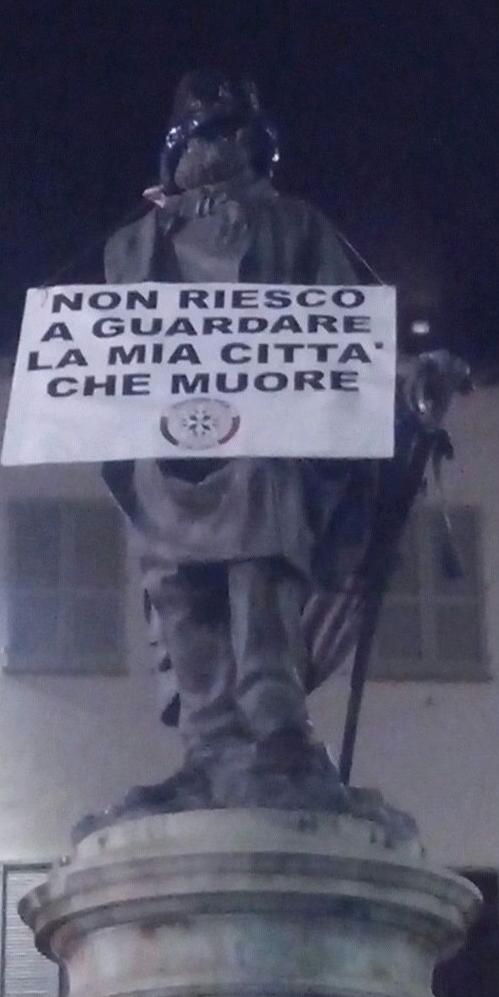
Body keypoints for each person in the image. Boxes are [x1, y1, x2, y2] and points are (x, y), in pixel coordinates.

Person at [101, 71, 440, 812]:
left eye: (230, 133)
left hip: (265, 443)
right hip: (168, 443)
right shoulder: (132, 245)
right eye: (203, 135)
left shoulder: (299, 227)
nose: (216, 148)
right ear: (178, 152)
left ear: (255, 145)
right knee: (176, 580)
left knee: (260, 548)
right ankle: (210, 742)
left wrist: (410, 378)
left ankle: (276, 722)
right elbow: (109, 345)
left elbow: (351, 334)